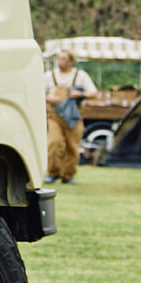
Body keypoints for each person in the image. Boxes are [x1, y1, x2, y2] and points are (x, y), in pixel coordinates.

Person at [45, 48, 97, 183]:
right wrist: (49, 98)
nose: (59, 61)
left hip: (74, 116)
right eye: (58, 58)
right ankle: (53, 172)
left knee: (73, 146)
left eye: (63, 59)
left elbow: (93, 93)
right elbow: (38, 93)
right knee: (55, 142)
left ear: (71, 62)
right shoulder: (49, 76)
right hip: (55, 116)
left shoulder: (80, 76)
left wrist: (81, 94)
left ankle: (68, 175)